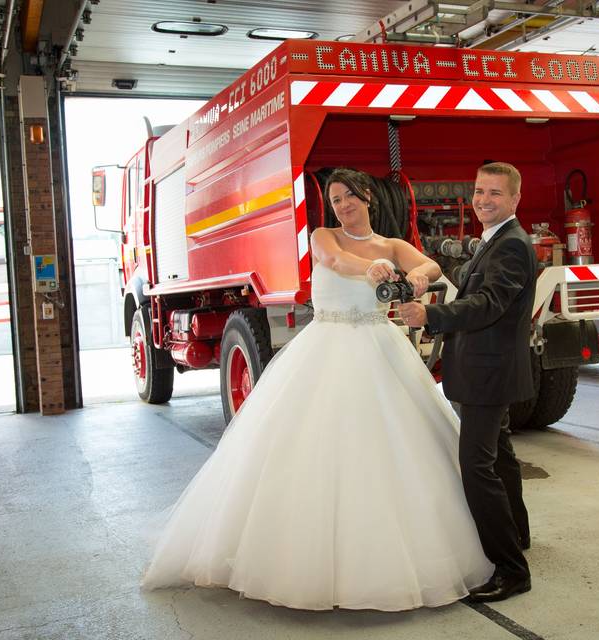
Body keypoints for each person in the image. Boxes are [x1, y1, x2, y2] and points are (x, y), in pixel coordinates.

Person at [141, 168, 493, 611]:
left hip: (381, 349)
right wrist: (374, 267)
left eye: (350, 196)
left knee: (397, 448)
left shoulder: (391, 243)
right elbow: (336, 264)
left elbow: (431, 264)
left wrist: (420, 275)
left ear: (367, 197)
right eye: (335, 198)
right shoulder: (325, 237)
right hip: (326, 349)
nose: (342, 205)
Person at [398, 162, 536, 603]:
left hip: (489, 373)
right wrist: (434, 274)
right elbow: (477, 285)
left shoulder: (512, 245)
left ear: (515, 199)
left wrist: (431, 315)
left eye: (495, 193)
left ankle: (511, 570)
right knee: (502, 456)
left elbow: (490, 302)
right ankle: (518, 535)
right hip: (489, 369)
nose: (484, 200)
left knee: (477, 468)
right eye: (479, 191)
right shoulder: (496, 240)